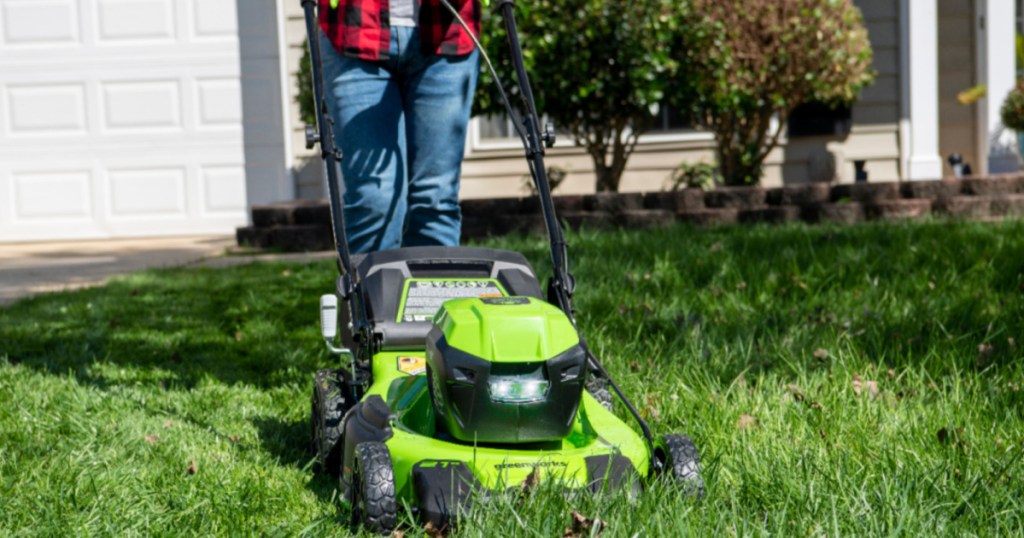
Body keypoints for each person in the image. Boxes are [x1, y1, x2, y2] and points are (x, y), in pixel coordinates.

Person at [318, 0, 481, 254]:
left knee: (435, 198)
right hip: (356, 30)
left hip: (446, 28)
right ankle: (372, 292)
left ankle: (437, 292)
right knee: (374, 200)